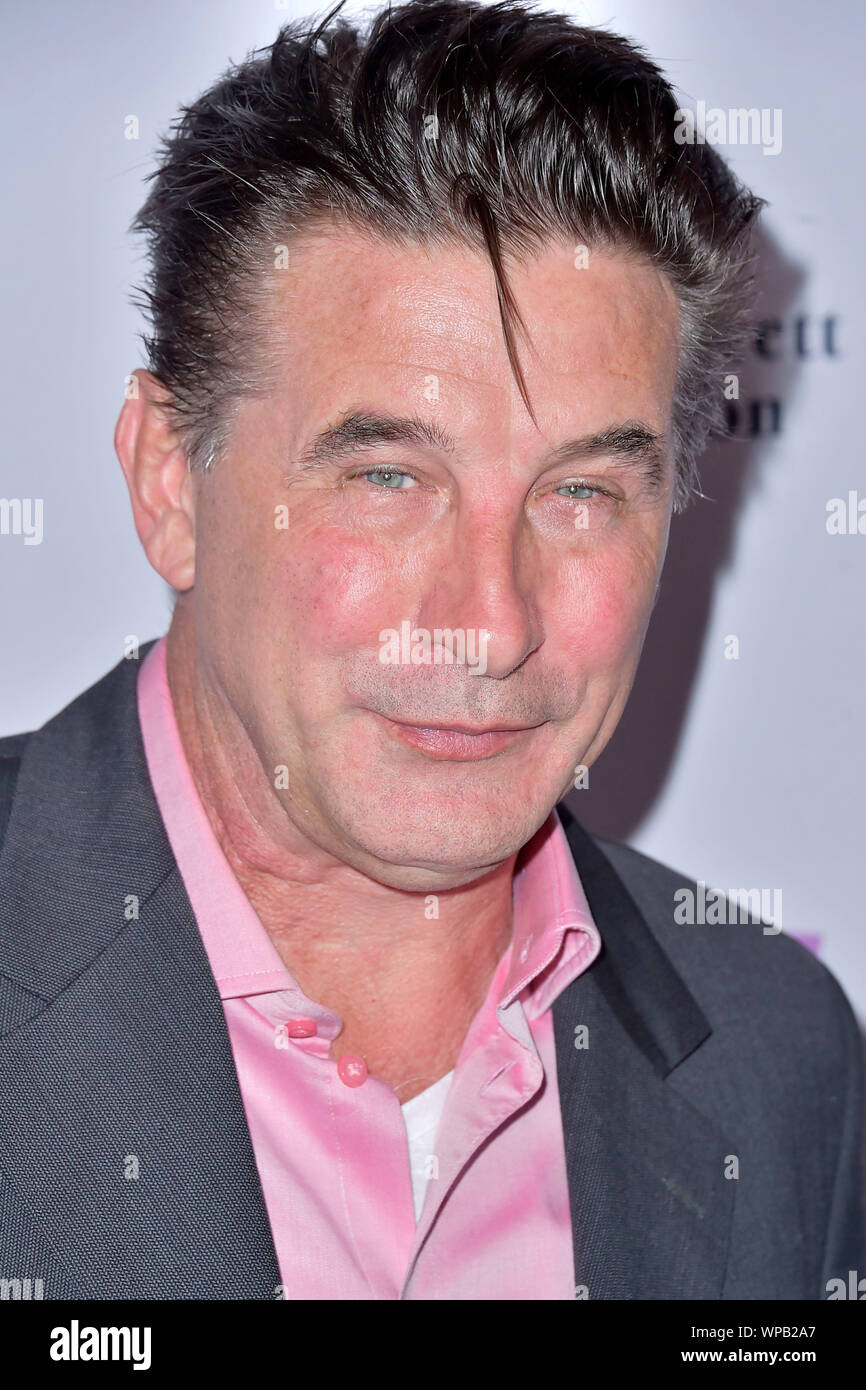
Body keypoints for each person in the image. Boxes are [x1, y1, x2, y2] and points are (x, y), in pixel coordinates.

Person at [0, 0, 861, 1301]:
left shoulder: (777, 1056)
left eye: (580, 493)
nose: (493, 620)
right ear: (171, 480)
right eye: (391, 475)